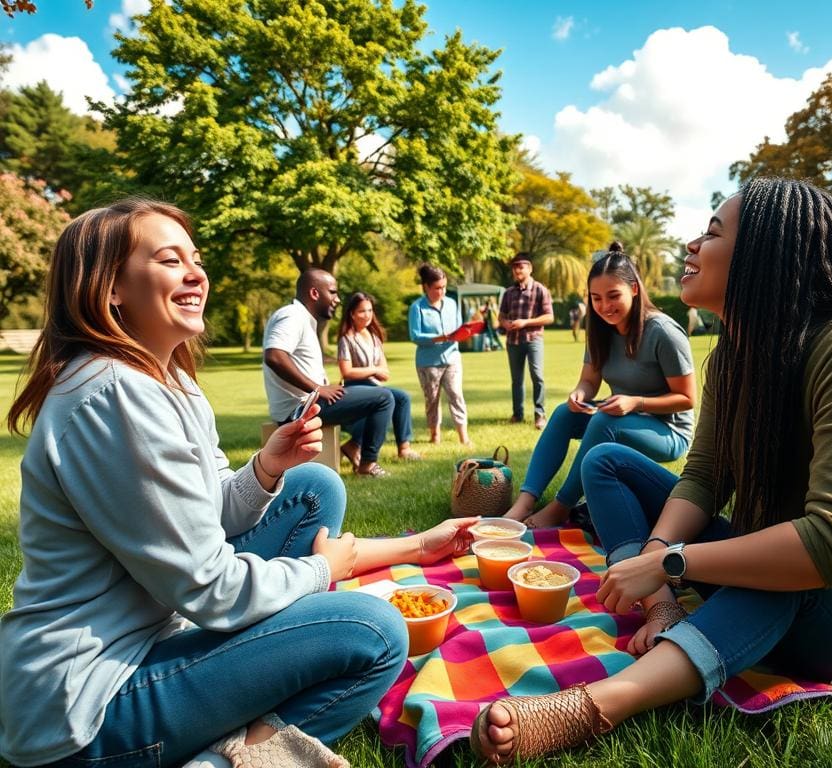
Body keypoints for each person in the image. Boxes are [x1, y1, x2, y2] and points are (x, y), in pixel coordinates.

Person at [471, 178, 832, 764]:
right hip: (757, 564)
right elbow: (704, 476)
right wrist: (657, 562)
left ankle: (599, 705)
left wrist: (673, 561)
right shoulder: (734, 359)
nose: (692, 245)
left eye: (713, 233)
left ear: (767, 253)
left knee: (789, 573)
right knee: (606, 461)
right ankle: (662, 609)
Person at [0, 199, 479, 768]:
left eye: (196, 259)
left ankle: (240, 714)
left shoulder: (168, 379)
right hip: (88, 705)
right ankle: (225, 758)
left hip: (157, 631)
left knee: (312, 487)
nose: (196, 275)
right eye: (170, 260)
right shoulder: (114, 395)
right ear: (111, 289)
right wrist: (320, 571)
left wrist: (266, 470)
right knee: (373, 630)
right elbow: (210, 587)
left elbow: (207, 517)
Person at [502, 245, 695, 529]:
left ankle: (561, 507)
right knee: (564, 414)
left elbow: (686, 398)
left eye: (613, 295)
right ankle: (523, 503)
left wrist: (635, 402)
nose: (605, 306)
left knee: (605, 421)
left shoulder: (663, 332)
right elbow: (589, 381)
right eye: (596, 298)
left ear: (634, 289)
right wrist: (579, 394)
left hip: (668, 431)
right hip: (622, 416)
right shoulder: (600, 330)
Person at [262, 268, 394, 477]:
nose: (338, 299)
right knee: (384, 398)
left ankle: (354, 448)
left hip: (308, 402)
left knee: (386, 397)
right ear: (314, 293)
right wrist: (318, 388)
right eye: (332, 292)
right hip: (300, 408)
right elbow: (274, 356)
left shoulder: (302, 319)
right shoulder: (292, 316)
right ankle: (367, 465)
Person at [337, 291, 421, 461]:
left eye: (370, 310)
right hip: (354, 386)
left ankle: (404, 448)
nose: (367, 315)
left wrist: (377, 371)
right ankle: (355, 445)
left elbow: (385, 371)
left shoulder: (374, 337)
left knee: (402, 397)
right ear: (352, 314)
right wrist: (374, 370)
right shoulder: (346, 339)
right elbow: (347, 372)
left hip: (373, 385)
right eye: (362, 311)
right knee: (385, 400)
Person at [407, 264, 471, 445]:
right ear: (426, 287)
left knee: (456, 395)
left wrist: (464, 333)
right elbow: (415, 336)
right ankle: (435, 436)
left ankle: (464, 437)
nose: (442, 291)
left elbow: (459, 328)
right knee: (432, 399)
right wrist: (439, 338)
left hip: (452, 358)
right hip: (428, 362)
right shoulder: (417, 308)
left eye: (444, 287)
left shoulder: (452, 304)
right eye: (437, 288)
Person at [498, 253, 555, 429]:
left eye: (521, 267)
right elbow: (501, 316)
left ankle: (540, 415)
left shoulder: (540, 290)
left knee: (537, 376)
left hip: (533, 340)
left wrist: (526, 322)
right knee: (516, 380)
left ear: (530, 269)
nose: (517, 270)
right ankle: (517, 414)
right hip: (513, 341)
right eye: (515, 267)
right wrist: (505, 324)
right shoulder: (508, 293)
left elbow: (549, 317)